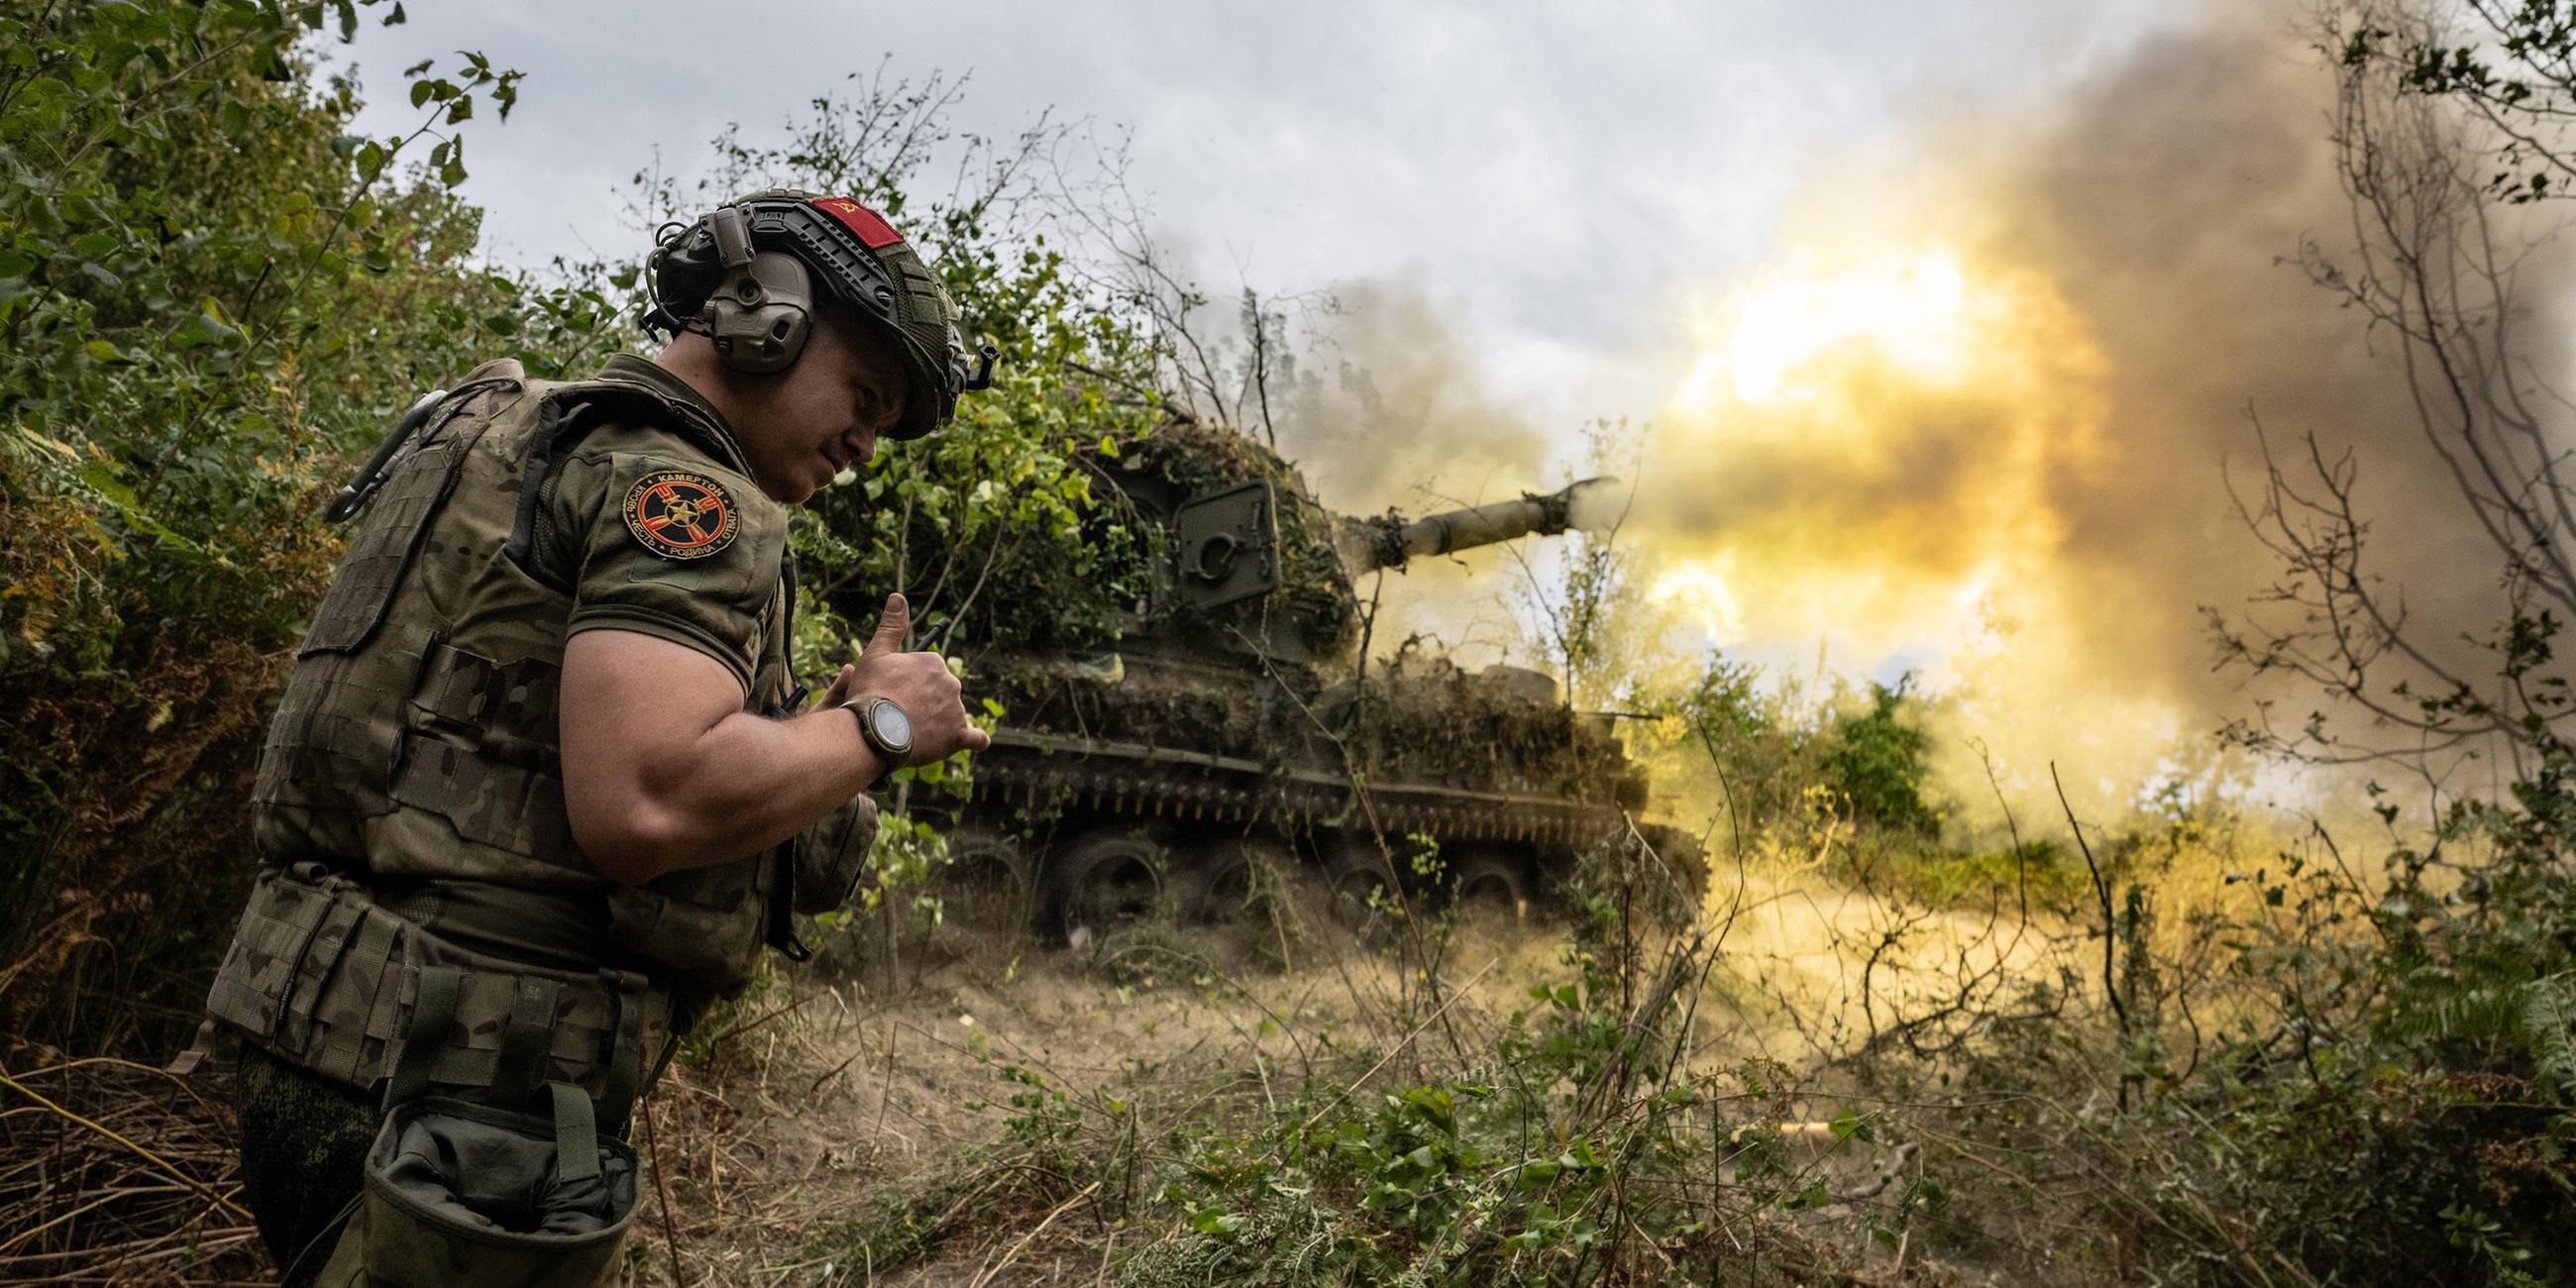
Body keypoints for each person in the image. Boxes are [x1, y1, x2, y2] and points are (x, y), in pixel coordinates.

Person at [193, 189, 992, 1284]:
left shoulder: (509, 429)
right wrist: (885, 725)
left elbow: (497, 744)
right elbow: (645, 802)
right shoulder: (680, 492)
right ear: (771, 319)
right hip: (465, 1090)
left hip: (336, 1039)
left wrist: (811, 735)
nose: (865, 442)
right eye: (863, 395)